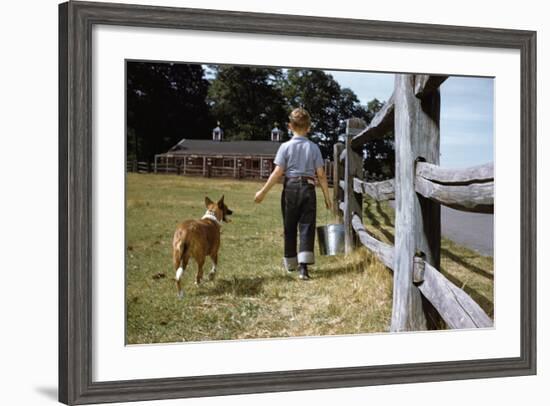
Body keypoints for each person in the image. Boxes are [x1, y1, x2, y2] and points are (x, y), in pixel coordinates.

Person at [254, 107, 332, 280]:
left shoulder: (284, 147)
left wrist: (262, 192)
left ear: (290, 126)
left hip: (290, 189)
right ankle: (303, 268)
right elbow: (321, 175)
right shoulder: (314, 148)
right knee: (307, 226)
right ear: (309, 128)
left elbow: (277, 172)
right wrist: (327, 198)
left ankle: (291, 264)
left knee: (289, 226)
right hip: (308, 189)